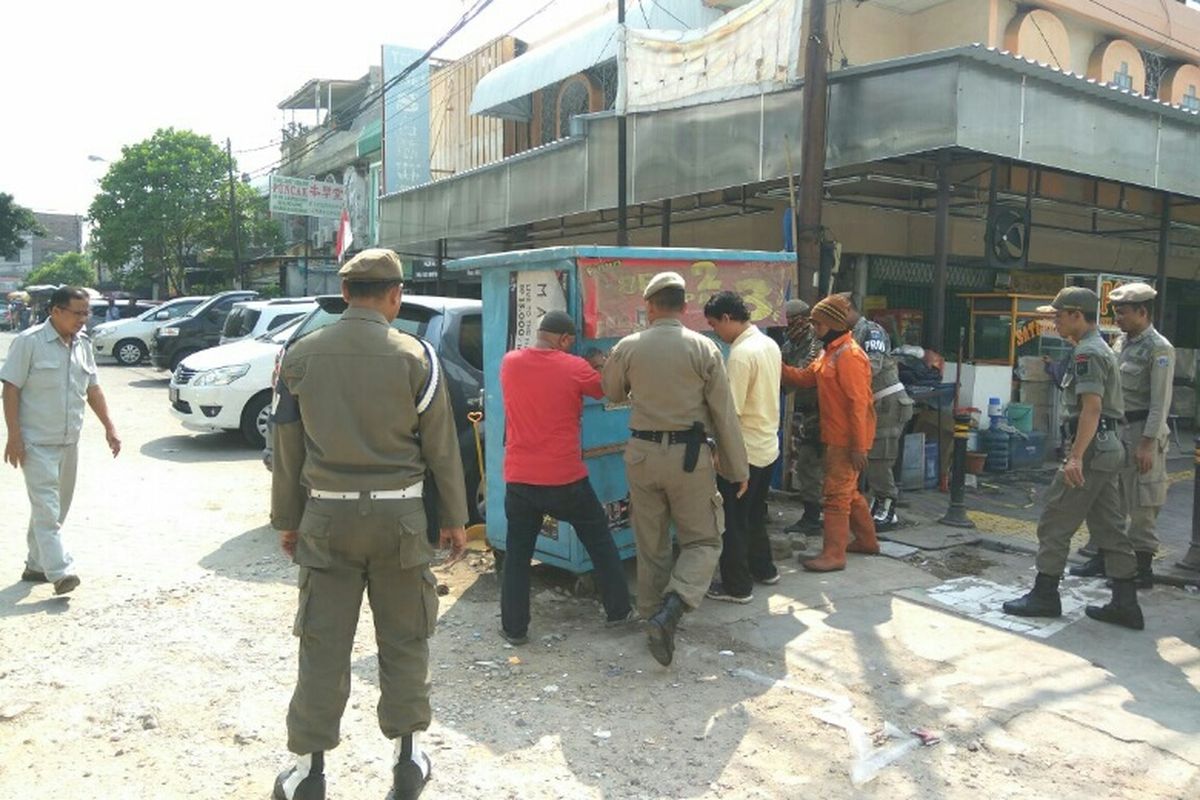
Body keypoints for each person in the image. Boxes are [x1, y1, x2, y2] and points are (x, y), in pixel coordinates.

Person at [269, 248, 468, 800]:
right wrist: (453, 518)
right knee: (405, 638)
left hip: (326, 516)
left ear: (345, 292)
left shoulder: (301, 354)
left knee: (322, 643)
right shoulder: (417, 355)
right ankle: (407, 762)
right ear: (395, 295)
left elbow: (285, 445)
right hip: (400, 517)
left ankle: (310, 772)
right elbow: (441, 448)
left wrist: (288, 519)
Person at [601, 271, 748, 666]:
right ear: (684, 307)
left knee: (651, 542)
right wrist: (737, 468)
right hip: (689, 459)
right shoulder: (705, 348)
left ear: (649, 306)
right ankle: (673, 608)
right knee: (703, 541)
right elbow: (724, 414)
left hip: (642, 456)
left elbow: (611, 392)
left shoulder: (628, 347)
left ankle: (651, 616)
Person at [1002, 286, 1143, 630]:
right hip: (1107, 448)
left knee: (1055, 521)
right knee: (1109, 526)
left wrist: (1075, 458)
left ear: (1077, 315)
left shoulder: (1088, 354)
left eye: (1058, 315)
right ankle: (1126, 603)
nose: (1054, 322)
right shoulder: (1094, 349)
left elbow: (1091, 410)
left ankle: (1045, 595)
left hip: (1093, 450)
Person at [498, 309, 634, 644]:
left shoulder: (510, 362)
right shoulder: (574, 367)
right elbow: (609, 392)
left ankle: (514, 629)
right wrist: (603, 364)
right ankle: (619, 611)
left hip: (520, 479)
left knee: (517, 556)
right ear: (565, 339)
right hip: (565, 478)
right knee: (601, 543)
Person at [1, 286, 121, 595]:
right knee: (47, 509)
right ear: (56, 311)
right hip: (35, 441)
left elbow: (92, 388)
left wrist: (109, 426)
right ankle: (60, 571)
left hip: (69, 441)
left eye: (87, 312)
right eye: (77, 313)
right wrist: (14, 436)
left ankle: (36, 565)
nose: (84, 319)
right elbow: (11, 389)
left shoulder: (83, 344)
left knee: (56, 509)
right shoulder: (29, 343)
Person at [1070, 282, 1173, 588]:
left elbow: (1160, 401)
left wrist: (1147, 443)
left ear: (1143, 312)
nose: (1118, 318)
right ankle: (1105, 556)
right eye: (1116, 312)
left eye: (1124, 312)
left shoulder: (1159, 348)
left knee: (1142, 499)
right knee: (1108, 496)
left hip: (1142, 431)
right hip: (1116, 431)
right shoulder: (1120, 344)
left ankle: (1141, 569)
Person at [780, 294, 879, 572]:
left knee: (836, 494)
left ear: (833, 324)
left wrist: (859, 447)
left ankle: (834, 554)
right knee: (848, 491)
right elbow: (805, 377)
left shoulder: (849, 355)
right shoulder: (831, 351)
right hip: (836, 435)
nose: (814, 329)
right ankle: (866, 541)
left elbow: (859, 404)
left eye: (819, 325)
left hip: (847, 439)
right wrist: (776, 366)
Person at [702, 291, 781, 602]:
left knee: (732, 520)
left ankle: (737, 586)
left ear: (726, 318)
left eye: (713, 325)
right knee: (754, 514)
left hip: (743, 450)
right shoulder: (768, 344)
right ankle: (764, 569)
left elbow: (729, 412)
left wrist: (720, 452)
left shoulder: (741, 354)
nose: (715, 333)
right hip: (766, 446)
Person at [843, 294, 913, 528]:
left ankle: (887, 505)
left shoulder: (871, 332)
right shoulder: (850, 335)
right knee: (872, 455)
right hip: (875, 403)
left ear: (849, 310)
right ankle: (878, 502)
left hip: (887, 402)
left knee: (880, 457)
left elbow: (872, 366)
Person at [780, 298, 824, 534]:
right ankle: (814, 514)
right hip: (806, 412)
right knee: (808, 464)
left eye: (792, 322)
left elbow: (804, 375)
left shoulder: (816, 344)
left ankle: (814, 516)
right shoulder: (790, 345)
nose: (789, 328)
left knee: (812, 464)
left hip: (823, 412)